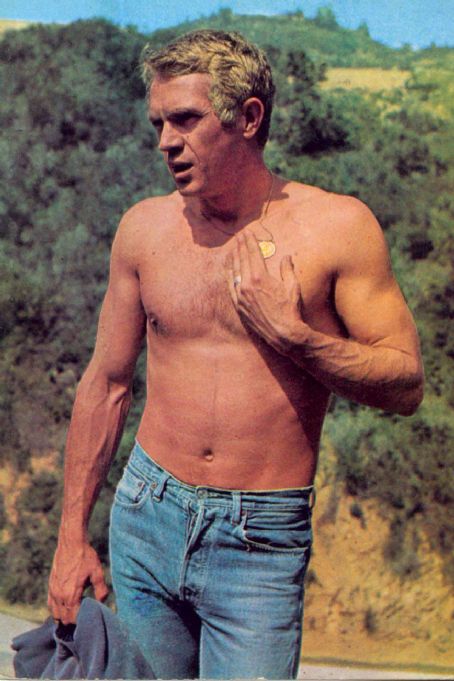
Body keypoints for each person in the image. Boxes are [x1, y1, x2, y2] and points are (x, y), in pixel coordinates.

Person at [48, 29, 424, 679]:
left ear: (248, 117)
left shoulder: (338, 229)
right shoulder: (144, 229)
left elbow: (405, 381)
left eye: (185, 119)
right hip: (146, 515)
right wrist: (70, 537)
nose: (166, 141)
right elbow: (105, 385)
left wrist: (295, 337)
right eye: (158, 123)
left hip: (260, 541)